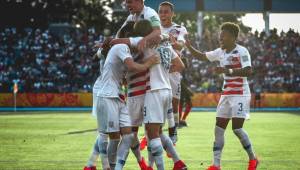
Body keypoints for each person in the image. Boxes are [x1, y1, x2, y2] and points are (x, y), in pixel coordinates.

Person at [185, 22, 259, 170]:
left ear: (233, 37)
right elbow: (201, 56)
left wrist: (228, 70)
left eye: (223, 35)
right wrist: (188, 46)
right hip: (226, 95)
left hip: (240, 94)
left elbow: (249, 70)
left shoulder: (242, 51)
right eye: (220, 35)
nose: (220, 38)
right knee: (218, 129)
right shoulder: (220, 52)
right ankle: (216, 165)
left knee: (237, 129)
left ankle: (253, 158)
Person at [95, 22, 159, 170]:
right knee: (114, 137)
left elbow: (124, 73)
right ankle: (108, 167)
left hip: (119, 95)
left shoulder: (124, 50)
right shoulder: (121, 47)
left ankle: (118, 167)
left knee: (129, 135)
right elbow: (132, 67)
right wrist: (148, 63)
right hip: (107, 95)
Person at [158, 1, 188, 143]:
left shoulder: (179, 29)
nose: (163, 14)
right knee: (157, 102)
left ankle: (173, 131)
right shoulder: (154, 28)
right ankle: (152, 133)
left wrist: (172, 42)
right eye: (161, 11)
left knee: (174, 103)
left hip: (173, 70)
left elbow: (181, 45)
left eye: (166, 11)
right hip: (157, 70)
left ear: (172, 14)